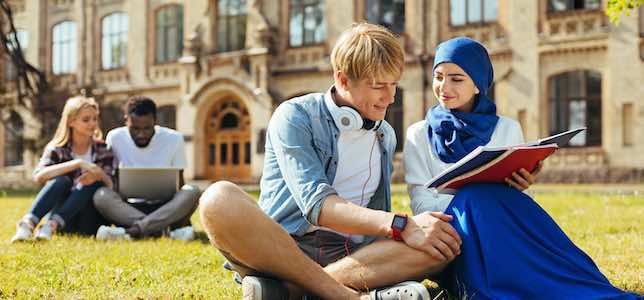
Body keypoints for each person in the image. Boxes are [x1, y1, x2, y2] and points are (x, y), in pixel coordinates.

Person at [199, 23, 463, 300]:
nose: (390, 97)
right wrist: (402, 224)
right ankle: (349, 296)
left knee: (441, 244)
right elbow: (317, 205)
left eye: (394, 84)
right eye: (378, 86)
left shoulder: (385, 134)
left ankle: (290, 291)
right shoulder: (294, 116)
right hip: (284, 249)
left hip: (353, 254)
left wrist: (416, 232)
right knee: (217, 199)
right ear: (343, 80)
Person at [403, 37, 640, 299]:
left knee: (531, 238)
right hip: (456, 237)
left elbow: (519, 205)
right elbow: (421, 205)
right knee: (476, 197)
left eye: (456, 79)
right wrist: (474, 202)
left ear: (478, 85)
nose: (443, 87)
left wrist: (519, 184)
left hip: (502, 228)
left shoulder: (507, 128)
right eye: (438, 77)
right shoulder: (418, 133)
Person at [93, 96, 200, 241]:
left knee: (192, 191)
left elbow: (180, 183)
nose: (141, 134)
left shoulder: (174, 139)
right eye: (135, 129)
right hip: (129, 208)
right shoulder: (114, 137)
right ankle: (161, 231)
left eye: (147, 128)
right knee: (101, 195)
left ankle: (132, 232)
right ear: (126, 121)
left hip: (165, 208)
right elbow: (113, 179)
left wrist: (179, 205)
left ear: (155, 121)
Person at [10, 96, 114, 242]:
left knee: (92, 183)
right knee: (61, 181)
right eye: (86, 120)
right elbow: (39, 176)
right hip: (63, 218)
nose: (93, 124)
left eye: (95, 119)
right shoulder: (57, 149)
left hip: (89, 219)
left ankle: (50, 226)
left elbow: (111, 185)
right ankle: (28, 224)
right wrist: (76, 164)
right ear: (71, 121)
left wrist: (98, 174)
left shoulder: (103, 149)